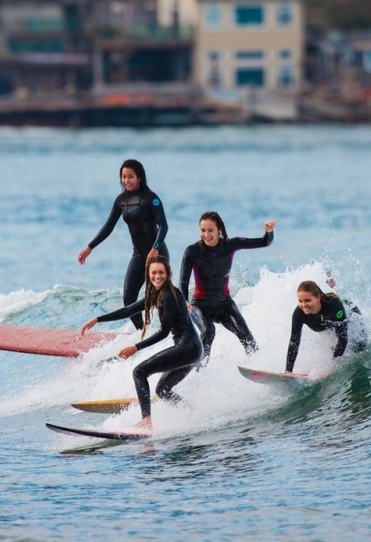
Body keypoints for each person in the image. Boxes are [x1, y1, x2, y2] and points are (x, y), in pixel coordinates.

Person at [81, 256, 203, 430]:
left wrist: (136, 347)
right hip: (191, 350)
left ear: (167, 274)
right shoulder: (157, 294)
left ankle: (146, 421)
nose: (157, 276)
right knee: (163, 390)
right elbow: (129, 310)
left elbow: (163, 333)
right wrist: (98, 319)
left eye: (161, 272)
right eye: (153, 273)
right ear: (148, 274)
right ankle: (192, 414)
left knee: (139, 372)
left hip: (187, 348)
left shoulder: (170, 295)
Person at [77, 159, 169, 330]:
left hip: (157, 256)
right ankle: (142, 333)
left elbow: (164, 226)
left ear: (139, 177)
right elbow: (108, 226)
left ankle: (168, 332)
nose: (127, 180)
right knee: (128, 299)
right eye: (124, 177)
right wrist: (89, 247)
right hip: (138, 255)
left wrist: (155, 247)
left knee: (159, 298)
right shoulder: (121, 200)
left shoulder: (151, 198)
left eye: (131, 177)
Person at [179, 212, 275, 365]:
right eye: (203, 230)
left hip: (224, 304)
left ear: (219, 230)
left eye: (210, 230)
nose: (206, 234)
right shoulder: (192, 251)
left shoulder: (230, 245)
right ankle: (198, 372)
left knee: (246, 335)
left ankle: (259, 366)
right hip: (200, 306)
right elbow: (183, 281)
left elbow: (264, 242)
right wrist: (184, 302)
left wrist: (269, 231)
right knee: (208, 333)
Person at [285, 280, 368, 373]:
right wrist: (288, 370)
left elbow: (342, 338)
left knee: (359, 348)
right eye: (300, 301)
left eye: (307, 300)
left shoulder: (333, 306)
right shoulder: (298, 314)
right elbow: (294, 342)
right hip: (330, 323)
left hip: (351, 314)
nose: (304, 305)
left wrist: (332, 365)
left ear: (317, 297)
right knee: (332, 347)